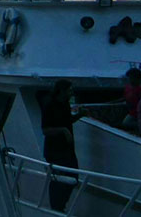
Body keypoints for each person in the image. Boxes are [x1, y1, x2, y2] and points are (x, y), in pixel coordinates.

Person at [41, 79, 85, 211]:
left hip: (67, 150)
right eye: (69, 90)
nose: (72, 92)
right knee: (58, 179)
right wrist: (63, 131)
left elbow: (67, 121)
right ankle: (56, 208)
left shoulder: (65, 104)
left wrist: (80, 115)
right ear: (62, 90)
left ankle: (61, 206)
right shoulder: (50, 105)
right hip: (55, 151)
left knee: (73, 178)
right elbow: (45, 130)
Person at [122, 67, 141, 132]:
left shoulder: (140, 91)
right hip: (131, 113)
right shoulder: (127, 88)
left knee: (126, 123)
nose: (130, 79)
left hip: (138, 114)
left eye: (131, 77)